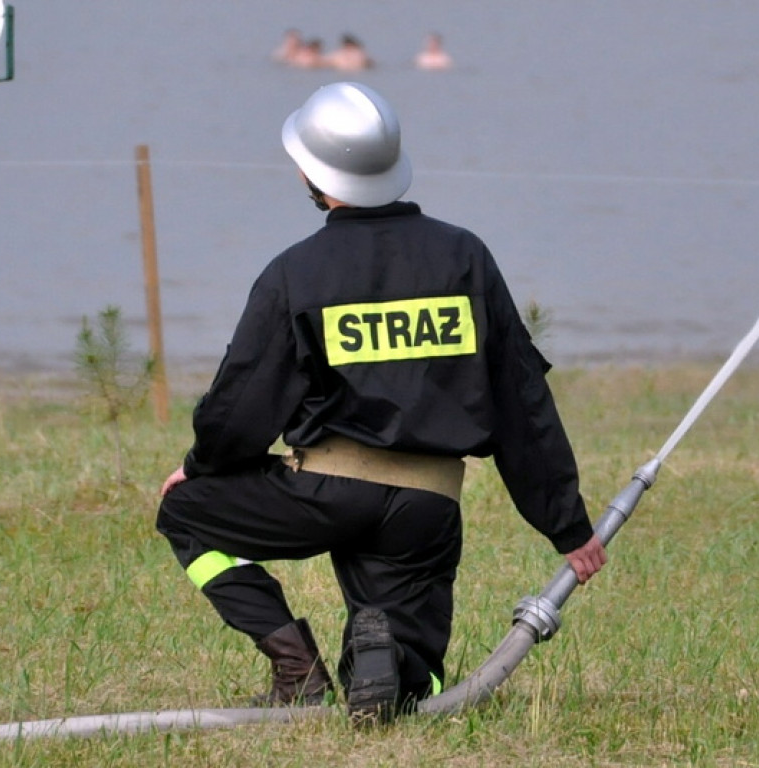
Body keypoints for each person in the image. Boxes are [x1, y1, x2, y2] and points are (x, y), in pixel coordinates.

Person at [156, 81, 606, 725]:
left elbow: (239, 407)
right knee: (407, 692)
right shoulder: (465, 257)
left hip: (322, 499)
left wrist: (199, 472)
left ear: (312, 173)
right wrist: (567, 525)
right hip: (427, 510)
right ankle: (388, 664)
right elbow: (521, 403)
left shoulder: (296, 273)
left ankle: (295, 666)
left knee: (187, 517)